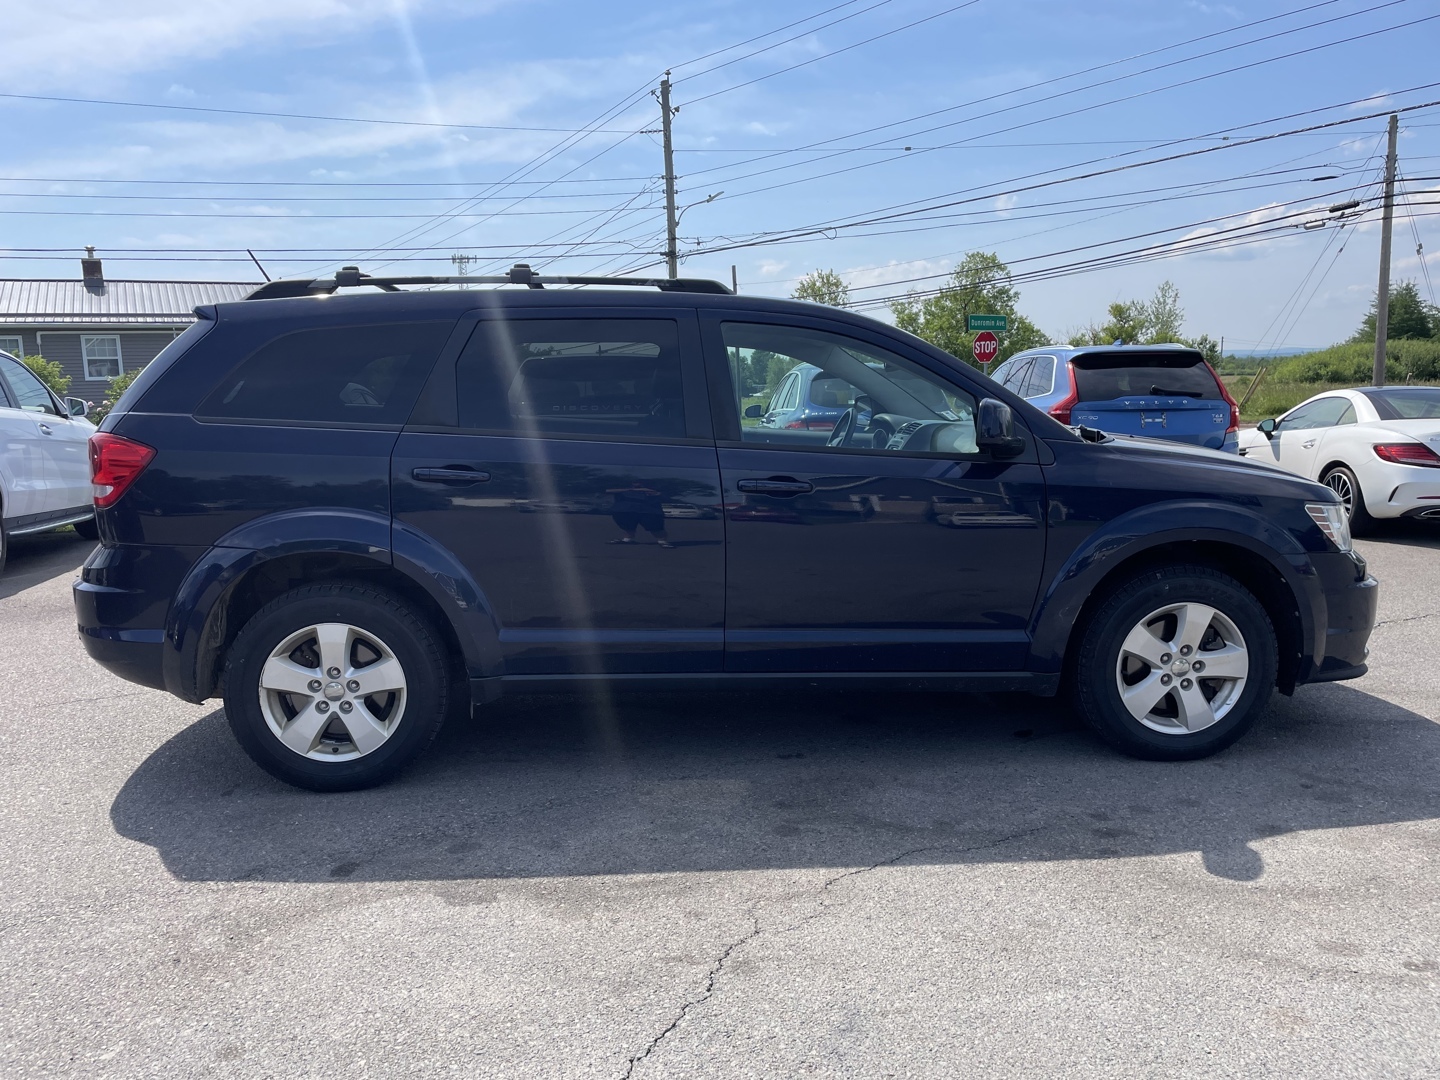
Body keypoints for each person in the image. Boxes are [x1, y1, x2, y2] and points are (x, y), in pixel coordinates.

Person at [606, 480, 673, 547]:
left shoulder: (654, 488)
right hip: (625, 511)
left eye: (640, 482)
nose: (637, 484)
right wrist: (632, 490)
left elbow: (665, 497)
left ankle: (663, 541)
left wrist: (653, 492)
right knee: (627, 526)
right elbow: (607, 490)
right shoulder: (622, 488)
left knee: (655, 527)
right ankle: (627, 539)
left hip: (649, 512)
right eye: (635, 482)